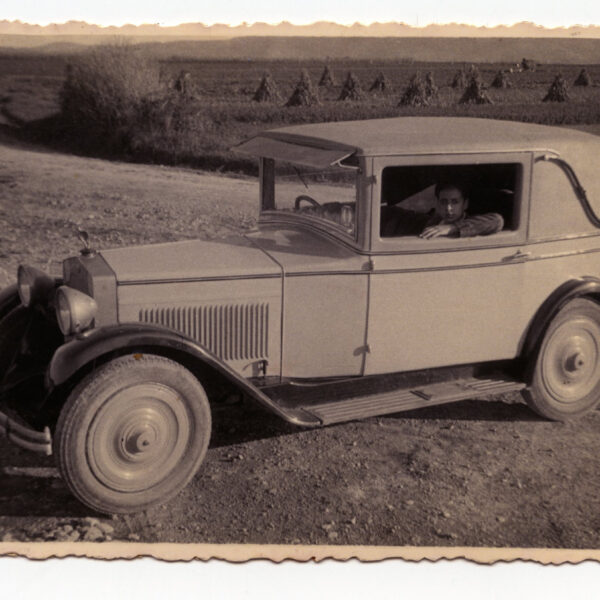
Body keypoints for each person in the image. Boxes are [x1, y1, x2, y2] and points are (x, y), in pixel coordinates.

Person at [382, 182, 504, 239]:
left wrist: (452, 228)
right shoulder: (432, 221)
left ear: (465, 204)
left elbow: (497, 221)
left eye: (455, 202)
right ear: (438, 203)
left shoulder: (472, 223)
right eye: (444, 202)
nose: (448, 208)